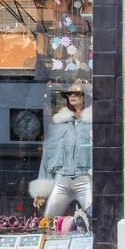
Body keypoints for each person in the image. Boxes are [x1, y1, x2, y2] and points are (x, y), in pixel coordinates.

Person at [29, 82, 92, 218]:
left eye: (77, 93)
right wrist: (41, 191)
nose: (72, 96)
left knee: (94, 219)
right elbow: (48, 155)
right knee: (49, 220)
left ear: (85, 96)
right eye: (69, 94)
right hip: (61, 180)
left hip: (84, 180)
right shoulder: (58, 123)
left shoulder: (93, 123)